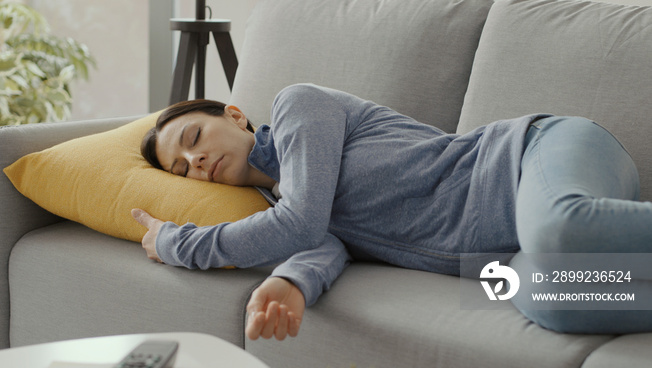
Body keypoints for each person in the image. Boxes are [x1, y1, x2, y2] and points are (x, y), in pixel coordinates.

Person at [131, 84, 652, 341]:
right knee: (553, 300)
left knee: (562, 230)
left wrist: (178, 242)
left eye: (193, 139)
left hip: (532, 156)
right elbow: (318, 244)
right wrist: (291, 282)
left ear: (235, 115)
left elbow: (303, 220)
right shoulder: (281, 204)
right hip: (506, 258)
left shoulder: (299, 108)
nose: (195, 161)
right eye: (183, 170)